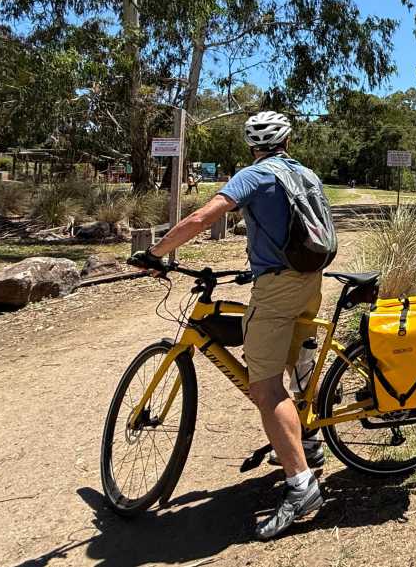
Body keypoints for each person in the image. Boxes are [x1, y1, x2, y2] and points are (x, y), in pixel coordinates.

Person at [130, 111, 325, 540]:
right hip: (310, 279)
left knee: (265, 387)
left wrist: (156, 253)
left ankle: (301, 486)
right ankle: (309, 442)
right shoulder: (306, 174)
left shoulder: (254, 176)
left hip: (276, 288)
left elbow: (202, 218)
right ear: (288, 142)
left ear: (252, 146)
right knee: (295, 359)